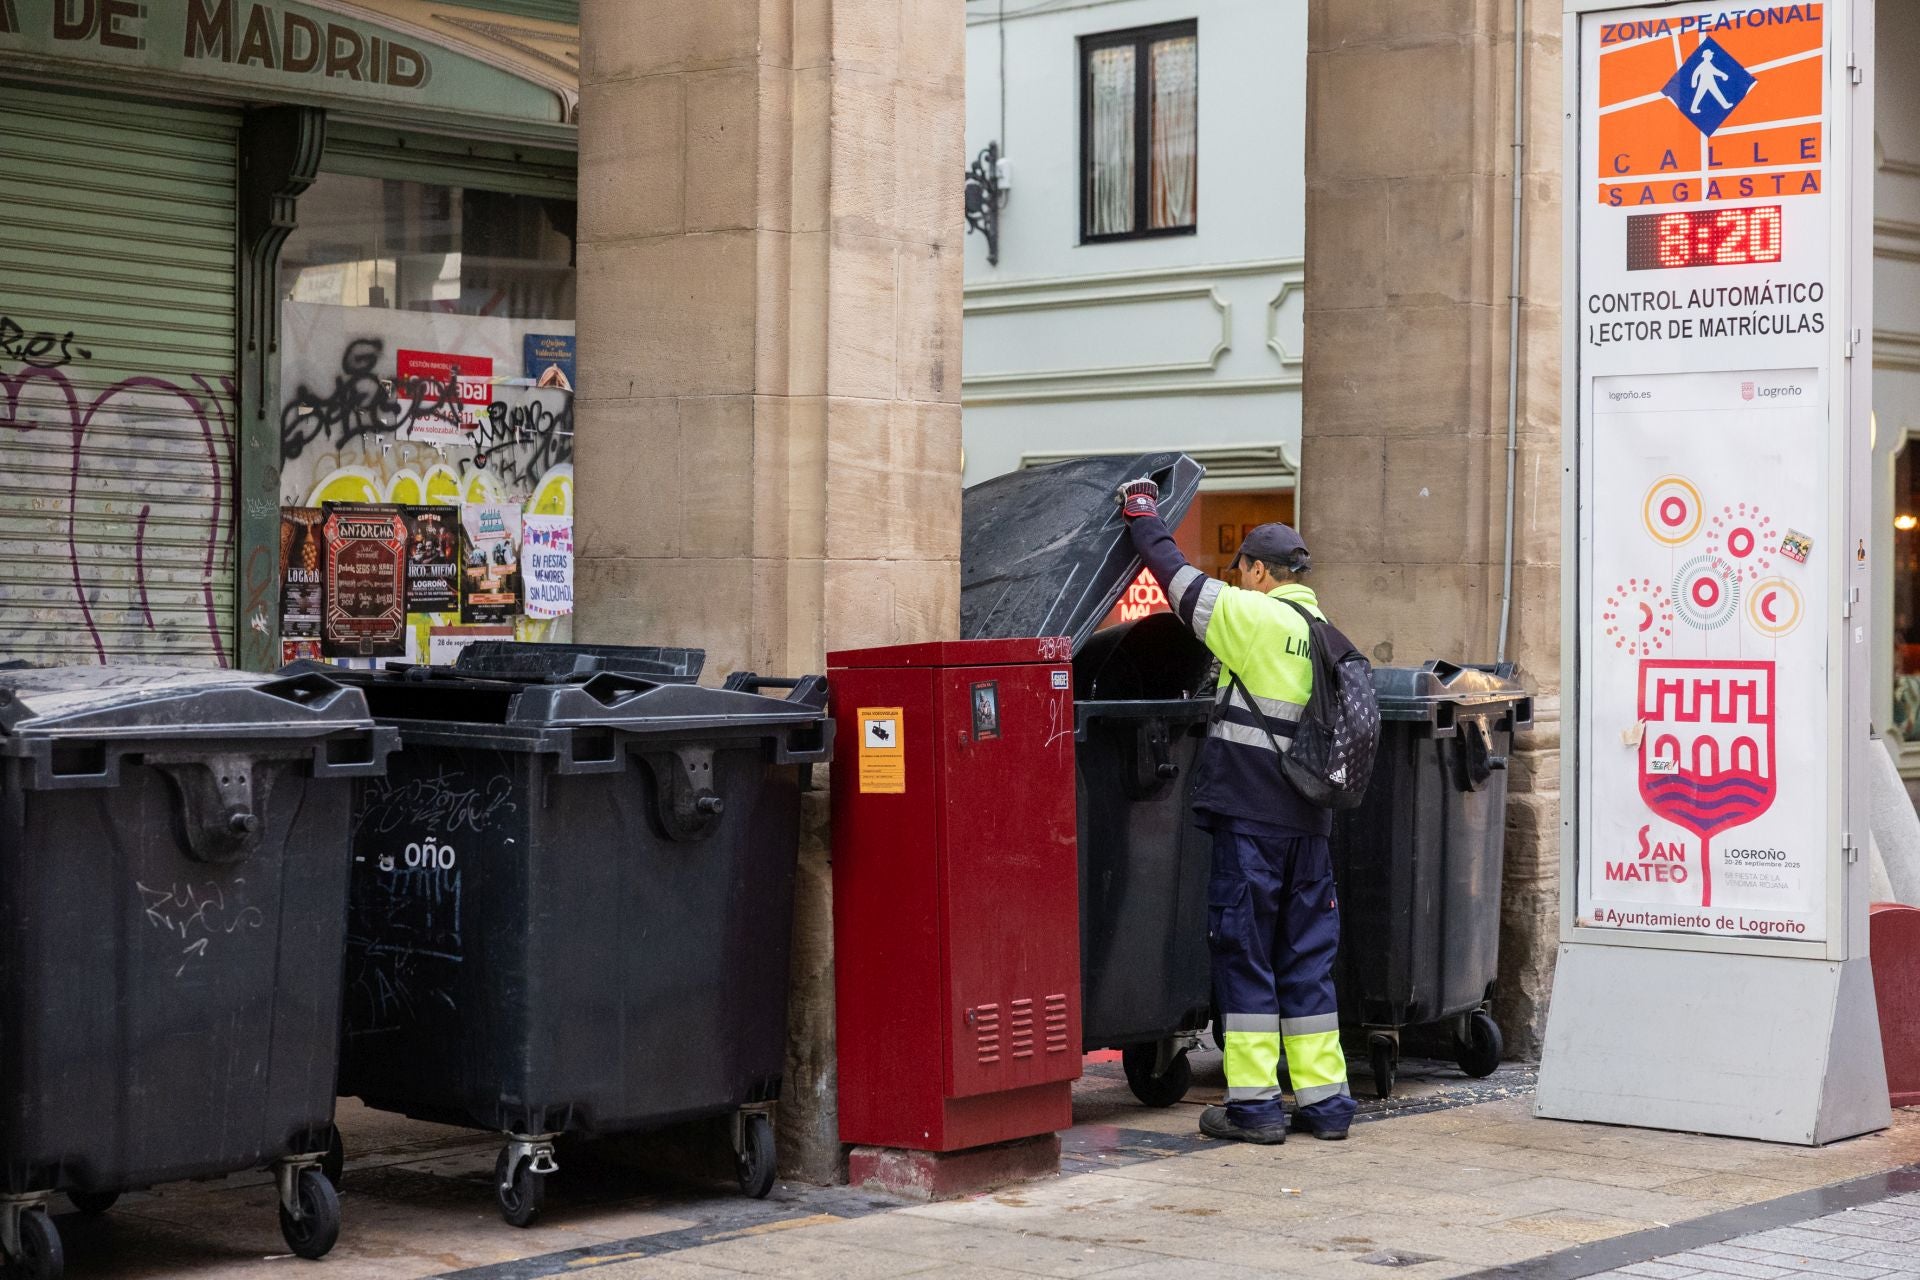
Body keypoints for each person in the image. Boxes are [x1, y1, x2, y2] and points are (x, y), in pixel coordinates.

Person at [1116, 477, 1357, 1144]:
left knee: (1245, 957)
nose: (1238, 579)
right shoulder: (1327, 635)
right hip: (1311, 829)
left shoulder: (1254, 617)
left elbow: (1175, 578)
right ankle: (1326, 1105)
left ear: (1257, 571)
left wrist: (1141, 514)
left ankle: (1254, 1108)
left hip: (1252, 823)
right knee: (1307, 963)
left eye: (1241, 570)